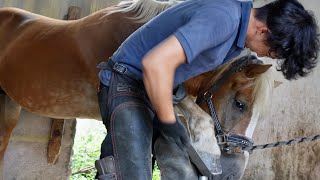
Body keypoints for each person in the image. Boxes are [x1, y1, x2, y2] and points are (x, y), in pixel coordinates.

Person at [95, 0, 319, 179]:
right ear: (263, 31)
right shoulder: (222, 19)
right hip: (127, 82)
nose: (262, 55)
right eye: (269, 51)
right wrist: (168, 121)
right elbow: (155, 64)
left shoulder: (236, 34)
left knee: (181, 169)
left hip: (152, 89)